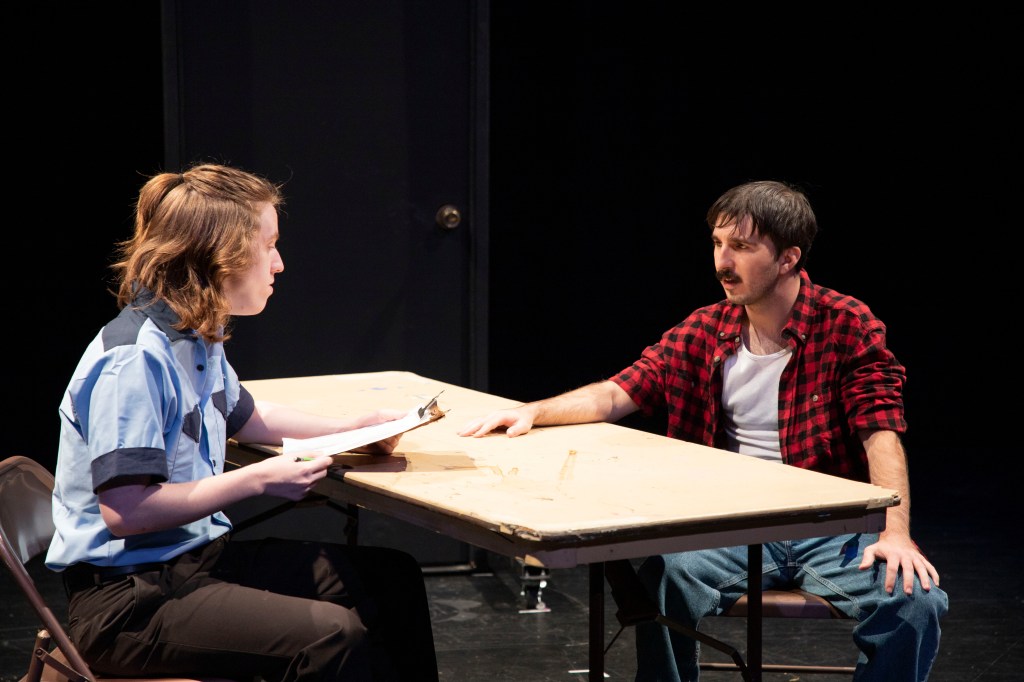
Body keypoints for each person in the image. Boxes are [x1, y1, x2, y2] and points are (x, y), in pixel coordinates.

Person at [459, 180, 948, 680]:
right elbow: (616, 393)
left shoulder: (845, 325)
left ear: (788, 258)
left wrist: (896, 534)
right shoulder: (705, 329)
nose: (722, 262)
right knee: (663, 579)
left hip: (829, 528)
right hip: (732, 524)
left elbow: (880, 433)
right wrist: (534, 411)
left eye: (741, 246)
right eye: (717, 243)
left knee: (916, 601)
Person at [46, 162, 438, 681]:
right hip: (128, 601)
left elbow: (246, 416)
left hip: (197, 560)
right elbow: (126, 510)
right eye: (268, 246)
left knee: (391, 579)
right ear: (219, 255)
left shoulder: (194, 334)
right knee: (330, 635)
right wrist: (257, 479)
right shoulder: (135, 359)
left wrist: (352, 428)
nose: (278, 263)